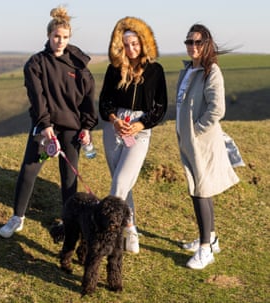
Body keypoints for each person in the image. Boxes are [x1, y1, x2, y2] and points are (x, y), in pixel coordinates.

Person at [0, 6, 98, 238]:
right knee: (30, 170)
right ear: (48, 36)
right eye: (56, 36)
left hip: (71, 129)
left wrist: (86, 127)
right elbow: (37, 97)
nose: (60, 41)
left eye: (64, 37)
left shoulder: (79, 65)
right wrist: (45, 126)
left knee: (69, 178)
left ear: (69, 38)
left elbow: (87, 98)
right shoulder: (36, 64)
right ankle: (17, 218)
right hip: (46, 130)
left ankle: (69, 223)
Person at [99, 16, 168, 254]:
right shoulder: (114, 69)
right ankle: (130, 228)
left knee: (119, 182)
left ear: (144, 43)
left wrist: (140, 125)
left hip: (139, 130)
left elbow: (160, 108)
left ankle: (105, 234)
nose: (131, 49)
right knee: (122, 180)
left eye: (135, 43)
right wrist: (115, 120)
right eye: (126, 44)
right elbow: (104, 102)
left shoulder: (156, 71)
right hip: (113, 129)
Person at [175, 24, 239, 269]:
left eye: (198, 42)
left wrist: (195, 132)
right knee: (200, 188)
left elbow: (217, 109)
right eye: (189, 42)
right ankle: (210, 238)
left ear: (207, 44)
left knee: (200, 189)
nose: (193, 46)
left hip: (201, 142)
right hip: (188, 142)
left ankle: (205, 250)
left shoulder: (211, 72)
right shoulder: (187, 71)